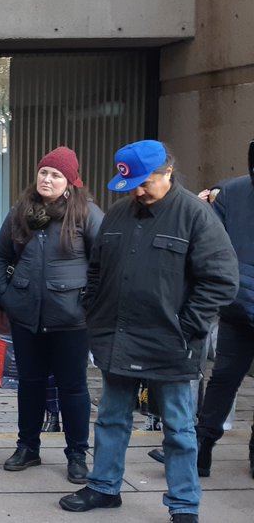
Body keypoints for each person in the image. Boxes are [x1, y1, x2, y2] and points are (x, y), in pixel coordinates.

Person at [59, 141, 238, 523]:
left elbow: (222, 281)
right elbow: (97, 268)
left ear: (168, 172)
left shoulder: (196, 215)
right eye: (132, 185)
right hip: (117, 337)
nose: (138, 192)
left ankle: (184, 504)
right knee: (110, 417)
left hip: (171, 343)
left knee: (178, 428)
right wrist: (93, 308)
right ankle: (104, 487)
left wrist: (187, 326)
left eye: (145, 183)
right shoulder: (119, 214)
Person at [0, 147, 102, 483]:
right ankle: (28, 448)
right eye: (43, 172)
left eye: (55, 174)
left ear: (69, 181)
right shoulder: (21, 211)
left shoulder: (87, 214)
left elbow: (105, 263)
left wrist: (88, 304)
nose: (47, 179)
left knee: (73, 388)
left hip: (71, 320)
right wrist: (5, 295)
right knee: (30, 384)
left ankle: (77, 455)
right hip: (26, 316)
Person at [193, 139, 254, 479]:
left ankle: (202, 448)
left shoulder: (228, 192)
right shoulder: (231, 193)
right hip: (238, 308)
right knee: (225, 379)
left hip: (236, 303)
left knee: (224, 379)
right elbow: (212, 246)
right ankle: (202, 446)